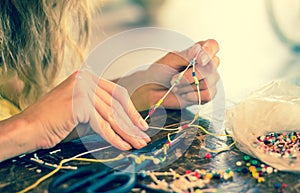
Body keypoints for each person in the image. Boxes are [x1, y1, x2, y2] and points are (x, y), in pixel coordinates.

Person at [0, 0, 220, 162]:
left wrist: (140, 89)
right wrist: (25, 129)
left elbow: (21, 106)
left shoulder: (27, 13)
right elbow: (33, 124)